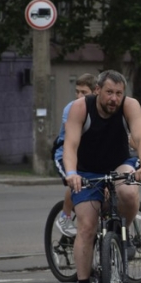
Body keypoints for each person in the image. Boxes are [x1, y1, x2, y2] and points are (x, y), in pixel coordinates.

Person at [63, 70, 141, 283]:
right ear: (98, 91)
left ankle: (121, 232)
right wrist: (71, 174)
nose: (114, 98)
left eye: (119, 93)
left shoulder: (130, 106)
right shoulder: (81, 108)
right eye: (109, 92)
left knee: (130, 192)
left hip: (119, 165)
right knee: (87, 226)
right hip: (86, 172)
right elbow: (70, 144)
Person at [52, 73, 97, 237]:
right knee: (76, 181)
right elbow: (74, 136)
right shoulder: (71, 108)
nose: (79, 96)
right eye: (77, 91)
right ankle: (65, 217)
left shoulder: (99, 108)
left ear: (95, 92)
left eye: (83, 92)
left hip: (86, 155)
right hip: (64, 155)